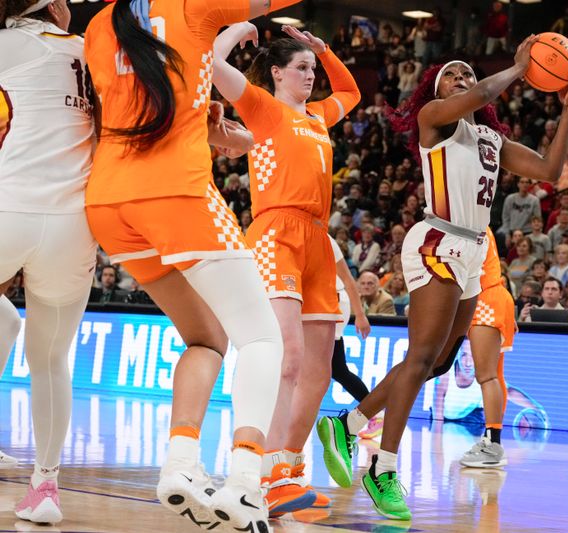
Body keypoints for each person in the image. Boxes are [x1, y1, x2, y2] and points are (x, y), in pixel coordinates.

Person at [316, 40, 568, 520]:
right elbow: (480, 95)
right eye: (451, 75)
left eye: (466, 74)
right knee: (420, 357)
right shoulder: (435, 119)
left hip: (474, 251)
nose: (461, 79)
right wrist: (520, 68)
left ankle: (349, 424)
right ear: (435, 89)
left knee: (436, 364)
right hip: (437, 240)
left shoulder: (491, 141)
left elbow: (550, 170)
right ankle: (383, 467)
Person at [84, 1, 298, 530]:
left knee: (206, 339)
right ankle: (246, 481)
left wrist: (214, 126)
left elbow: (142, 105)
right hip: (176, 194)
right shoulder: (192, 4)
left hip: (108, 202)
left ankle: (181, 466)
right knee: (263, 337)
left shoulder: (97, 24)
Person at [210, 20, 361, 516]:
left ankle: (289, 468)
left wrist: (323, 48)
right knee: (288, 357)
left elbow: (352, 91)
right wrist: (236, 30)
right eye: (301, 67)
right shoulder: (262, 105)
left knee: (319, 371)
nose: (310, 74)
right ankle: (263, 473)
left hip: (318, 237)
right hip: (276, 232)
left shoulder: (319, 117)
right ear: (276, 74)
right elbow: (211, 63)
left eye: (312, 68)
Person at [0, 0, 96, 524]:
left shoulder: (8, 45)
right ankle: (45, 488)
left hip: (8, 207)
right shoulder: (93, 52)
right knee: (51, 361)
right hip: (73, 226)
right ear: (55, 7)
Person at [460, 228, 517, 468]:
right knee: (496, 375)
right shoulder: (480, 223)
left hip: (485, 299)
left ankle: (493, 445)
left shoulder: (467, 223)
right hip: (495, 296)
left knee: (487, 376)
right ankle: (491, 439)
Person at [328, 235, 383, 439]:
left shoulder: (324, 239)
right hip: (318, 303)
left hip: (331, 302)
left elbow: (349, 281)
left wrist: (360, 315)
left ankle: (374, 414)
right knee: (337, 370)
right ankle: (374, 413)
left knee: (338, 370)